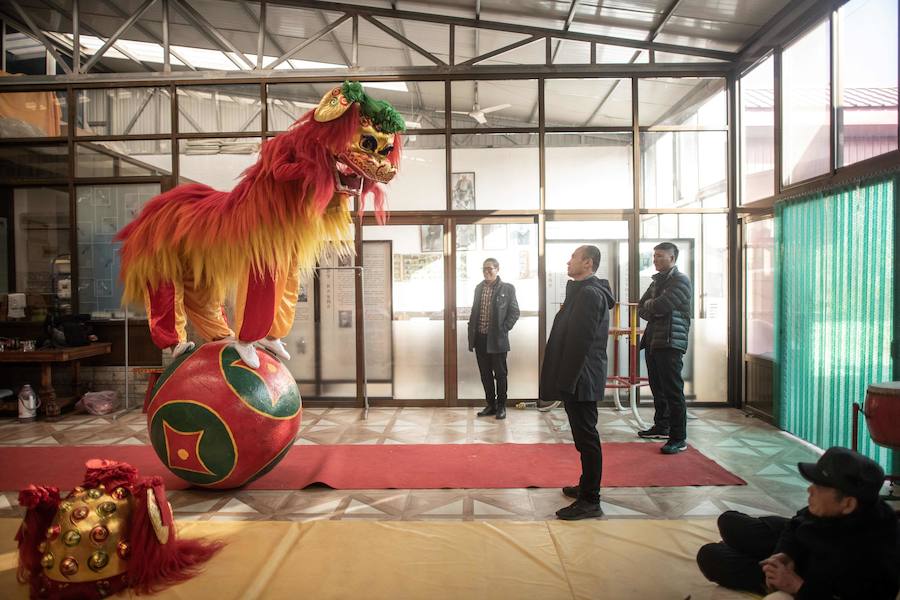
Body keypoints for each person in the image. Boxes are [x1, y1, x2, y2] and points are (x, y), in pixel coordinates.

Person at [696, 446, 899, 599]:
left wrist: (796, 586)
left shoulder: (876, 556)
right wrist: (784, 554)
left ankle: (767, 581)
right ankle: (771, 565)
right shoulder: (835, 509)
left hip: (812, 577)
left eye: (819, 487)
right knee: (729, 521)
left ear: (848, 503)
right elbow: (796, 524)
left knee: (710, 556)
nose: (809, 490)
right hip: (802, 550)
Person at [540, 245, 615, 520]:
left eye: (573, 257)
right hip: (579, 376)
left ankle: (591, 499)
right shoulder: (581, 292)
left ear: (588, 263)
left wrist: (567, 381)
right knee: (583, 437)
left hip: (582, 377)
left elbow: (580, 345)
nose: (568, 261)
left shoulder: (589, 294)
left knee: (587, 438)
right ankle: (586, 485)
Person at [637, 241, 692, 454]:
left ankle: (679, 438)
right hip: (654, 340)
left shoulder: (680, 281)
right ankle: (662, 426)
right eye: (654, 256)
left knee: (673, 390)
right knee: (657, 387)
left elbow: (660, 306)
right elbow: (642, 308)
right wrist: (654, 306)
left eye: (661, 256)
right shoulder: (657, 281)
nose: (656, 260)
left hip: (671, 341)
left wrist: (654, 305)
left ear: (672, 258)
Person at [467, 258, 520, 420]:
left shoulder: (507, 288)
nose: (486, 272)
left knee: (501, 374)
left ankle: (502, 406)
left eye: (490, 268)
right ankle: (491, 405)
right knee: (485, 374)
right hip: (480, 339)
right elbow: (475, 312)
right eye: (484, 269)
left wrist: (504, 329)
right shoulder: (478, 288)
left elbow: (515, 312)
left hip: (497, 340)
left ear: (497, 269)